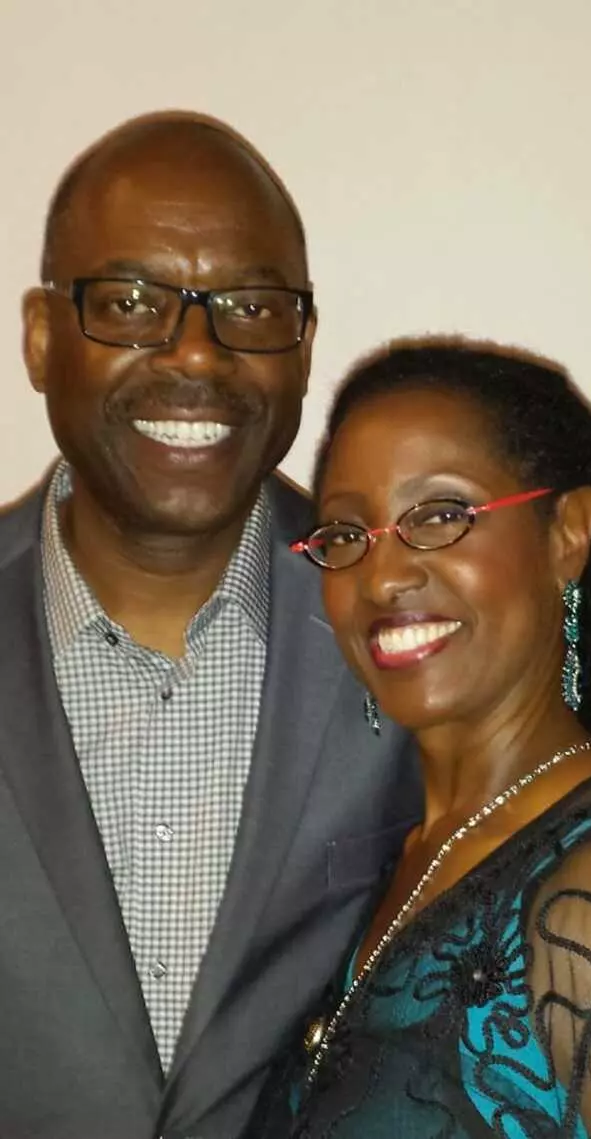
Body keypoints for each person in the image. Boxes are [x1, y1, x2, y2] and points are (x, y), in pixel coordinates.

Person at [0, 114, 421, 1139]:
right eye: (130, 303)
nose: (196, 351)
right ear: (43, 337)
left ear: (304, 348)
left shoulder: (410, 628)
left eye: (251, 307)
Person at [255, 339, 591, 1137]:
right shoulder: (407, 853)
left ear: (567, 533)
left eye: (439, 515)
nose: (382, 575)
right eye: (345, 533)